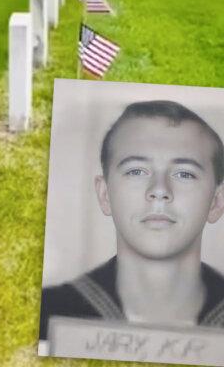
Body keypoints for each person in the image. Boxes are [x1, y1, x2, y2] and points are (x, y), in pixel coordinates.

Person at [39, 101, 224, 341]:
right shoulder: (49, 313)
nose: (159, 190)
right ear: (105, 195)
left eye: (184, 174)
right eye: (136, 171)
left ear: (216, 202)